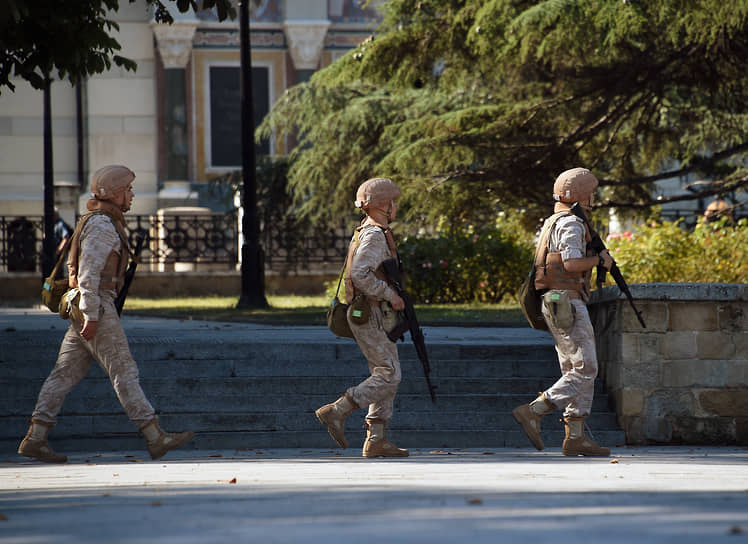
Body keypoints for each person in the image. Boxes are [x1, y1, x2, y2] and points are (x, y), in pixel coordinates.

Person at [18, 165, 194, 463]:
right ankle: (154, 436)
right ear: (114, 193)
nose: (132, 195)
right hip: (95, 305)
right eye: (128, 189)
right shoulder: (101, 226)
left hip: (89, 306)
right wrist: (92, 315)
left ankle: (36, 438)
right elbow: (87, 274)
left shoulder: (101, 221)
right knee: (124, 370)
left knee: (63, 374)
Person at [512, 167, 613, 457]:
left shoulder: (552, 221)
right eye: (590, 191)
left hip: (555, 301)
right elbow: (570, 263)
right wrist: (599, 260)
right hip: (567, 300)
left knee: (573, 368)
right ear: (579, 194)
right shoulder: (571, 223)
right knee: (586, 368)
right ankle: (535, 410)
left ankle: (576, 436)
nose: (593, 196)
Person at [315, 177, 409, 458]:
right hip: (370, 312)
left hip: (376, 312)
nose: (395, 207)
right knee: (389, 374)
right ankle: (337, 410)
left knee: (386, 370)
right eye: (393, 202)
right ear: (384, 204)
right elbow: (360, 273)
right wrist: (389, 295)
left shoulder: (372, 231)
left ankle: (376, 439)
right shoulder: (374, 235)